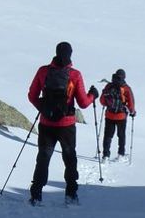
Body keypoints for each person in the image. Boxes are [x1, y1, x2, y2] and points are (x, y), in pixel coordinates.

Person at [27, 42, 98, 205]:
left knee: (43, 158)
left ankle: (36, 196)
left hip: (46, 124)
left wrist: (44, 109)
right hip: (66, 126)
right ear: (71, 54)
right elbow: (83, 103)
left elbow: (32, 96)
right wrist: (93, 95)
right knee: (70, 159)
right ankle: (71, 195)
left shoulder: (43, 71)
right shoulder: (75, 75)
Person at [99, 69, 136, 162]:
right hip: (121, 116)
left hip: (109, 115)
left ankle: (105, 156)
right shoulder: (126, 88)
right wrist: (132, 112)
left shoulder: (109, 86)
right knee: (121, 135)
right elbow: (131, 102)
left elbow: (102, 101)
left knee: (108, 136)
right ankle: (121, 154)